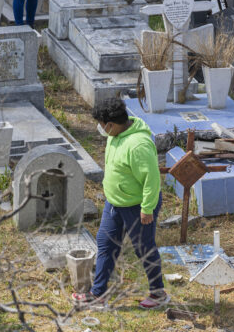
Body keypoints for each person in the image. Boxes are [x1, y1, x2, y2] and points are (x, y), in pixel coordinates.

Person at [71, 98, 170, 310]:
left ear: (111, 125)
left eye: (100, 124)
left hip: (138, 207)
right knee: (105, 243)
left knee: (143, 248)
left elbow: (151, 180)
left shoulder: (139, 145)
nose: (99, 128)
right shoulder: (115, 135)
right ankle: (98, 294)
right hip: (115, 203)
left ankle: (158, 292)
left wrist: (147, 208)